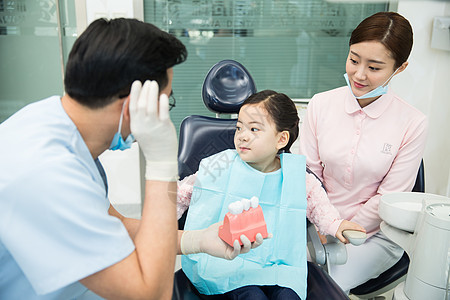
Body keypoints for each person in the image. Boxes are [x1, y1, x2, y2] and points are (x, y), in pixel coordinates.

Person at [0, 18, 265, 300]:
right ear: (133, 105)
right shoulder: (47, 172)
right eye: (165, 102)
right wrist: (161, 164)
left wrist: (198, 239)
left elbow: (117, 227)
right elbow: (152, 294)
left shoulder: (54, 125)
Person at [177, 90, 365, 300]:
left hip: (279, 265)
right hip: (226, 263)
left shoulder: (297, 177)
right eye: (239, 128)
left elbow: (318, 207)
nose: (242, 135)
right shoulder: (220, 165)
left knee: (288, 297)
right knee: (252, 296)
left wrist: (336, 225)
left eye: (254, 129)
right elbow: (181, 194)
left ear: (281, 139)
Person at [299, 12, 428, 293]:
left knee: (321, 286)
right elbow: (309, 175)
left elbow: (389, 198)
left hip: (374, 235)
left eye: (374, 67)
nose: (358, 74)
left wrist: (341, 228)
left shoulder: (412, 123)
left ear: (400, 68)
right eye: (354, 60)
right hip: (316, 221)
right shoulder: (321, 105)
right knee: (279, 271)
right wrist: (325, 223)